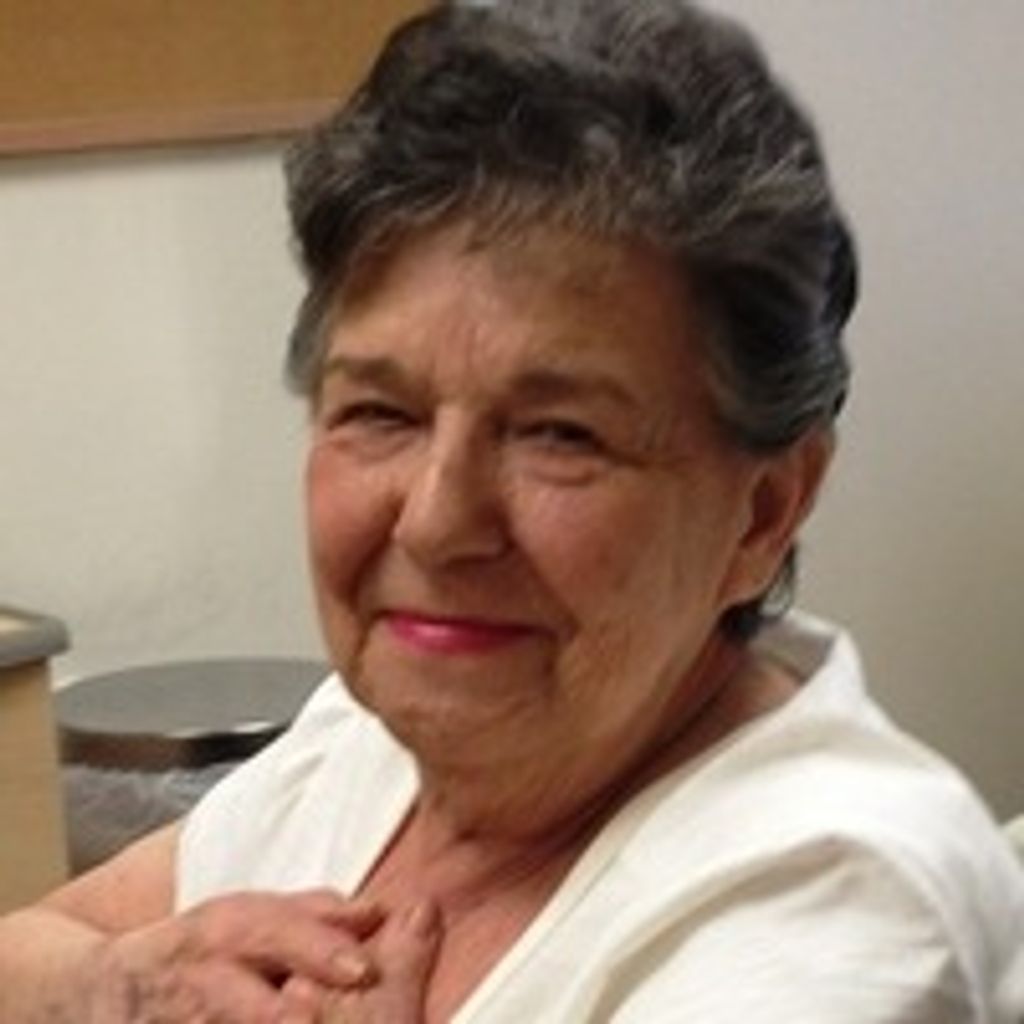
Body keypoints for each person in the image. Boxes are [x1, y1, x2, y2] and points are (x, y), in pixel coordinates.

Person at [2, 0, 1022, 1020]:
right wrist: (114, 984)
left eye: (561, 434)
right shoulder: (379, 740)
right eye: (380, 412)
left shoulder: (840, 919)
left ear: (762, 512)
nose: (435, 522)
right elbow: (29, 949)